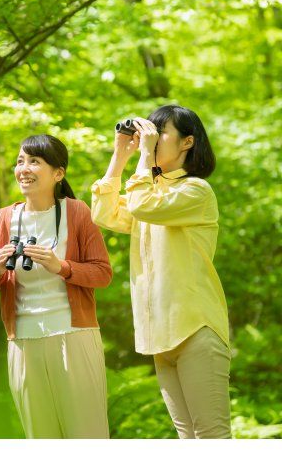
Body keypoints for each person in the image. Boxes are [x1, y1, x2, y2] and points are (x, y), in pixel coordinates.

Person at [90, 105, 230, 439]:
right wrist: (120, 156)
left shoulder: (195, 191)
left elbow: (141, 206)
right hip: (160, 335)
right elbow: (104, 214)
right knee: (186, 437)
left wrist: (143, 160)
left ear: (187, 142)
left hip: (196, 328)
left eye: (160, 132)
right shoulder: (151, 191)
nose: (151, 139)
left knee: (212, 436)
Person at [0, 134, 112, 438]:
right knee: (41, 437)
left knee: (87, 435)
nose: (24, 168)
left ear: (58, 173)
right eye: (20, 161)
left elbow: (103, 273)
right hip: (22, 341)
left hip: (74, 336)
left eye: (34, 161)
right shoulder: (0, 220)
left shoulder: (77, 212)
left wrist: (61, 266)